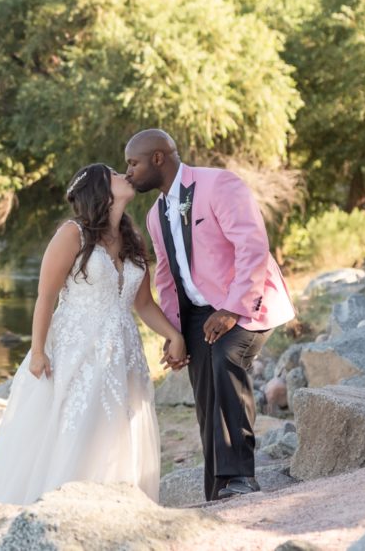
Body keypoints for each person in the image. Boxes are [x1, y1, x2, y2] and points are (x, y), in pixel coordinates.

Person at [0, 163, 188, 505]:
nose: (125, 175)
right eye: (115, 174)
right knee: (79, 429)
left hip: (124, 353)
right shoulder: (73, 234)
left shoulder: (133, 239)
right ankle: (60, 512)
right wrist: (38, 350)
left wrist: (174, 335)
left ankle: (115, 511)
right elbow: (46, 294)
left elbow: (143, 303)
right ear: (100, 190)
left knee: (118, 429)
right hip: (78, 351)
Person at [124, 130, 295, 501]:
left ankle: (241, 477)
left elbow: (252, 246)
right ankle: (217, 488)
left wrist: (232, 309)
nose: (128, 172)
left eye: (132, 163)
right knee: (204, 391)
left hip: (247, 303)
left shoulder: (218, 184)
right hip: (198, 313)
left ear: (158, 159)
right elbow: (167, 277)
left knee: (225, 358)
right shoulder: (156, 215)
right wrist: (174, 334)